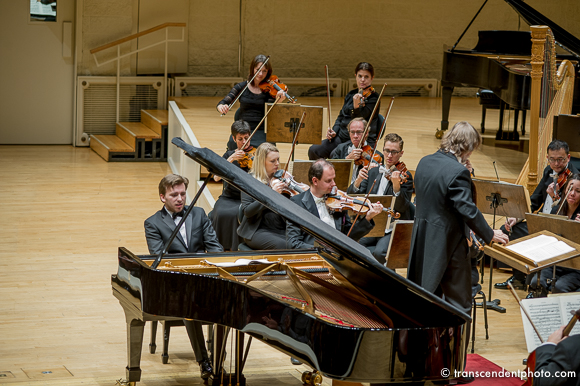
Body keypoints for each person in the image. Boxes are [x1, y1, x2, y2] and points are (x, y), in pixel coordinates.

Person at [407, 121, 508, 315]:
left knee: (425, 296)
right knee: (459, 304)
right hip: (448, 245)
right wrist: (489, 233)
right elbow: (467, 209)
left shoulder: (424, 161)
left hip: (422, 240)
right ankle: (452, 344)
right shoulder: (458, 172)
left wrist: (463, 172)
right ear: (468, 148)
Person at [144, 174, 222, 380]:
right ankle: (204, 361)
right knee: (190, 306)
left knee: (231, 300)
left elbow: (214, 248)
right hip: (175, 284)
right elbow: (160, 258)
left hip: (203, 278)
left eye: (182, 194)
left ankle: (220, 358)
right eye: (173, 195)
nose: (179, 198)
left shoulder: (198, 214)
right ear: (162, 197)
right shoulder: (152, 223)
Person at [495, 140, 579, 292]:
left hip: (559, 230)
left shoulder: (575, 178)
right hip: (542, 224)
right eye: (552, 159)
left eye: (560, 159)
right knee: (509, 229)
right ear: (547, 158)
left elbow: (568, 209)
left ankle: (536, 281)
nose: (556, 164)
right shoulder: (548, 171)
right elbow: (534, 201)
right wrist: (517, 217)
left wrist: (557, 198)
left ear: (568, 157)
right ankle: (519, 278)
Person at [347, 133, 414, 264]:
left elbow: (402, 207)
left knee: (379, 252)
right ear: (382, 150)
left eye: (394, 152)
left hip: (391, 227)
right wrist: (358, 181)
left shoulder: (406, 176)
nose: (389, 156)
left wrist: (396, 186)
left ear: (401, 153)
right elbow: (353, 197)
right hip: (373, 223)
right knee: (352, 243)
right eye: (387, 151)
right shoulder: (373, 171)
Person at [286, 159, 383, 249]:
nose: (334, 184)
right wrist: (323, 250)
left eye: (333, 179)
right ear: (315, 181)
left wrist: (367, 218)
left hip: (339, 255)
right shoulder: (297, 203)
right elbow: (293, 242)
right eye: (328, 181)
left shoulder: (339, 200)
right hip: (316, 256)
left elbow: (348, 236)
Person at [308, 62, 381, 160]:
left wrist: (356, 107)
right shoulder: (351, 94)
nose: (362, 80)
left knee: (335, 154)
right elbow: (341, 117)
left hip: (358, 139)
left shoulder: (374, 98)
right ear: (355, 76)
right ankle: (322, 173)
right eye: (360, 76)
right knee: (314, 150)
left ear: (372, 78)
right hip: (341, 137)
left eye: (366, 77)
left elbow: (360, 120)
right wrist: (334, 131)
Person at [217, 54, 287, 151]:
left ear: (268, 72)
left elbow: (270, 112)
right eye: (258, 70)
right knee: (233, 144)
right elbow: (225, 101)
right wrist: (221, 106)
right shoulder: (241, 86)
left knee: (266, 148)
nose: (261, 74)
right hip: (243, 130)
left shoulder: (270, 90)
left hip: (262, 130)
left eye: (264, 71)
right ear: (252, 69)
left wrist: (279, 100)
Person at [237, 142, 291, 250]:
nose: (277, 164)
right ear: (262, 162)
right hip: (257, 229)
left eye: (278, 160)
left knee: (300, 241)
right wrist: (271, 194)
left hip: (279, 226)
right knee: (284, 245)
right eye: (272, 161)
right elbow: (248, 211)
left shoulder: (280, 177)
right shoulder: (248, 181)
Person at [533, 174, 580, 295]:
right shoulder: (556, 211)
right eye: (570, 189)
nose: (572, 193)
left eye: (578, 191)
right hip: (556, 263)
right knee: (536, 282)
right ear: (565, 190)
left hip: (576, 268)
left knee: (559, 287)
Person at [209, 120, 252, 251]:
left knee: (235, 214)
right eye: (240, 139)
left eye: (247, 138)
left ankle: (235, 249)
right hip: (228, 197)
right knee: (220, 212)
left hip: (247, 198)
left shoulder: (255, 155)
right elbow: (216, 177)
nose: (244, 142)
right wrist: (231, 159)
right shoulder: (228, 155)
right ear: (233, 138)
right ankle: (218, 248)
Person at [329, 118, 381, 185]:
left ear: (366, 133)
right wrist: (347, 159)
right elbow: (331, 171)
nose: (355, 136)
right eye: (352, 132)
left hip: (360, 192)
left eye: (359, 132)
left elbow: (376, 183)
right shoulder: (341, 148)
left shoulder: (376, 155)